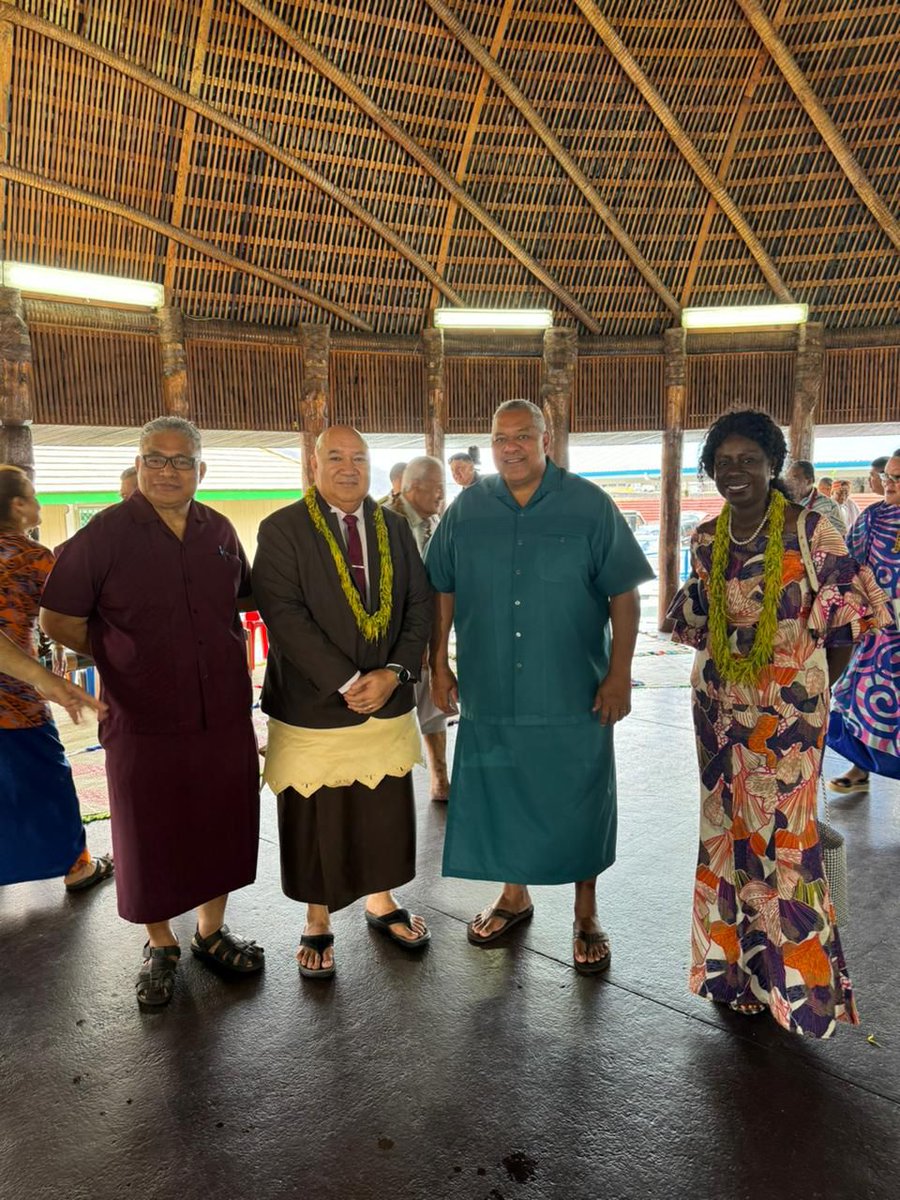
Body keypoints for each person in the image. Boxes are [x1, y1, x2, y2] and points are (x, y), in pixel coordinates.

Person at [667, 409, 889, 1038]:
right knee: (728, 831)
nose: (735, 472)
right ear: (711, 470)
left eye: (749, 460)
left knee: (786, 834)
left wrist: (804, 686)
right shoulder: (705, 540)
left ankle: (798, 992)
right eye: (723, 462)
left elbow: (846, 628)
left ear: (772, 465)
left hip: (791, 710)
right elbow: (699, 625)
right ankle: (733, 977)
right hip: (717, 710)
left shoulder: (813, 529)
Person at [40, 417, 263, 1009]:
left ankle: (211, 932)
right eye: (155, 459)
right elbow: (56, 620)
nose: (168, 471)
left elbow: (244, 597)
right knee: (150, 832)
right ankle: (160, 944)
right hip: (142, 713)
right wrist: (119, 652)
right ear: (138, 465)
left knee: (221, 820)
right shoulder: (104, 535)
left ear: (201, 470)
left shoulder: (218, 529)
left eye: (181, 460)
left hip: (221, 709)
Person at [426, 399, 653, 974]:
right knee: (502, 793)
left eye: (523, 436)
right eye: (501, 438)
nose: (511, 447)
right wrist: (439, 663)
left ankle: (585, 911)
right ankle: (513, 894)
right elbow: (442, 590)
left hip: (573, 690)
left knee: (580, 797)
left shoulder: (589, 506)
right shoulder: (467, 510)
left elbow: (622, 594)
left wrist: (619, 674)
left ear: (545, 439)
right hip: (492, 687)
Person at [252, 425, 433, 980]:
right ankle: (317, 916)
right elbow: (282, 613)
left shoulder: (395, 528)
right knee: (315, 815)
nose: (348, 467)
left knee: (381, 807)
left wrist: (394, 674)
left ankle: (381, 901)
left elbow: (418, 604)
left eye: (359, 457)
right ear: (314, 464)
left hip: (388, 694)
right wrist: (349, 679)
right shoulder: (282, 528)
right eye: (335, 456)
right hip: (312, 701)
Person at [0, 466, 114, 894]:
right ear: (18, 506)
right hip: (15, 694)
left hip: (17, 683)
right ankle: (77, 866)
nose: (39, 503)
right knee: (48, 775)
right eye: (33, 495)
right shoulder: (33, 558)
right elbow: (69, 611)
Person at [828, 452, 900, 794]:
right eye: (887, 477)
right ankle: (861, 768)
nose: (888, 485)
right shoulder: (873, 517)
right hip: (880, 636)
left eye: (896, 479)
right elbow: (848, 565)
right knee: (856, 698)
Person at [390, 456, 451, 801]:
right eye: (438, 488)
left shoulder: (437, 521)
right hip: (396, 640)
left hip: (429, 630)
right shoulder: (383, 519)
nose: (442, 496)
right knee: (395, 713)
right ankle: (393, 787)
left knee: (433, 705)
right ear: (413, 488)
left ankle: (440, 777)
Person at [784, 460, 846, 535]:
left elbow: (840, 536)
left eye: (794, 478)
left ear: (809, 481)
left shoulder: (829, 506)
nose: (788, 482)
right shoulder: (783, 502)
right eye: (787, 478)